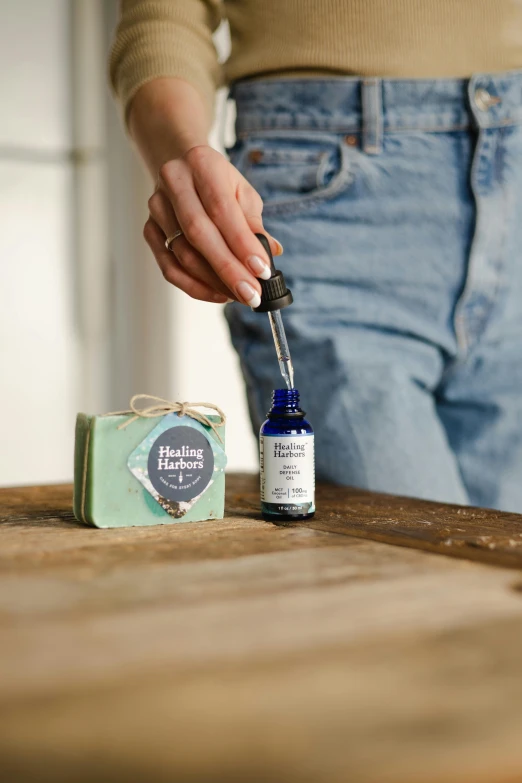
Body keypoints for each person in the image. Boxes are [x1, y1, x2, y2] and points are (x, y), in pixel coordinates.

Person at [110, 1, 522, 512]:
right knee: (405, 573)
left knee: (503, 576)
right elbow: (164, 16)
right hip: (331, 193)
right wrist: (182, 154)